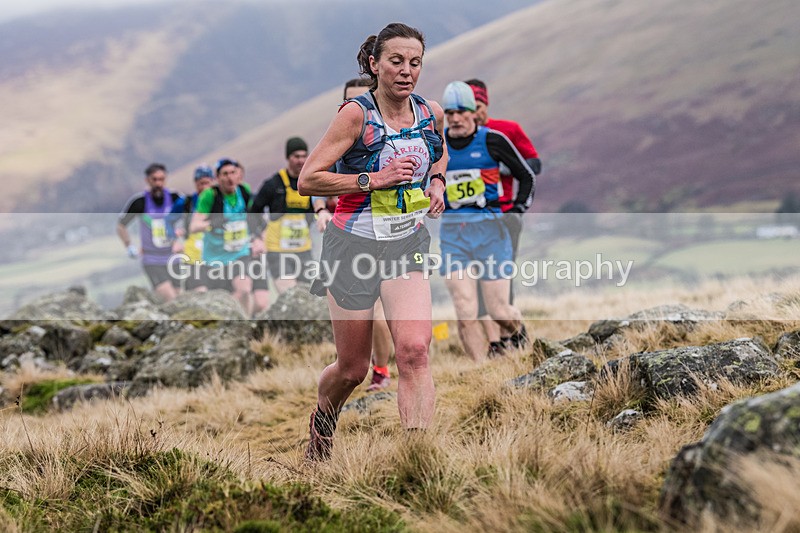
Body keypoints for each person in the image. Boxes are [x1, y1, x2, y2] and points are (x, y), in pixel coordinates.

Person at [298, 23, 448, 461]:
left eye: (415, 62)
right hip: (351, 248)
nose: (406, 71)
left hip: (405, 245)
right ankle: (324, 416)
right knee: (353, 369)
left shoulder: (428, 112)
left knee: (415, 350)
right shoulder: (355, 115)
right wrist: (373, 179)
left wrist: (436, 182)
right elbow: (309, 179)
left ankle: (416, 462)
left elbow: (437, 150)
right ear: (374, 64)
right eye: (396, 61)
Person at [439, 81, 535, 362]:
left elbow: (526, 175)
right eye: (449, 113)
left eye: (460, 112)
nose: (455, 119)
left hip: (492, 234)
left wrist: (517, 209)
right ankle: (483, 372)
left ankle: (522, 340)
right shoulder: (438, 145)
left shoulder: (492, 140)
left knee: (499, 311)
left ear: (473, 112)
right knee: (465, 309)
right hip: (453, 237)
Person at [313, 77, 394, 392]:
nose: (356, 108)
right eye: (348, 102)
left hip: (391, 237)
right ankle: (355, 366)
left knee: (379, 309)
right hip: (347, 238)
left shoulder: (388, 136)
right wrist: (321, 211)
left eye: (362, 100)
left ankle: (382, 370)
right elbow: (314, 179)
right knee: (362, 316)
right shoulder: (340, 135)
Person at [466, 79, 542, 355]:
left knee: (500, 277)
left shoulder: (507, 131)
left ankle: (512, 336)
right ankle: (495, 341)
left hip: (506, 214)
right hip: (471, 221)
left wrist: (498, 168)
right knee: (473, 280)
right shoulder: (458, 138)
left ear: (486, 105)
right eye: (467, 109)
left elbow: (533, 165)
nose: (474, 115)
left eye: (478, 107)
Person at [249, 137, 316, 314]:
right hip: (277, 251)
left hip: (303, 250)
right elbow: (253, 212)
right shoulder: (273, 184)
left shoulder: (309, 182)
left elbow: (313, 212)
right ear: (288, 158)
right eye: (296, 156)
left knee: (309, 296)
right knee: (290, 295)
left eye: (304, 156)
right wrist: (257, 236)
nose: (301, 160)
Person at [190, 158, 261, 315]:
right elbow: (194, 226)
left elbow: (253, 217)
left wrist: (257, 238)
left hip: (239, 253)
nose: (230, 178)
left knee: (244, 290)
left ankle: (244, 326)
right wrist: (211, 223)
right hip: (214, 258)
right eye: (225, 174)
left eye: (233, 173)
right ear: (217, 177)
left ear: (238, 174)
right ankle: (228, 320)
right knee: (220, 299)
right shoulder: (210, 195)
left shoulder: (244, 190)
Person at [117, 163, 183, 302]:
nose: (158, 183)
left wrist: (182, 238)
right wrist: (129, 246)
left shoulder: (175, 198)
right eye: (154, 179)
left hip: (173, 258)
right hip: (152, 259)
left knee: (179, 297)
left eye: (161, 179)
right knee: (168, 296)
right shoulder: (139, 202)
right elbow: (121, 225)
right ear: (147, 180)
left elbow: (194, 217)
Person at [167, 165, 216, 292]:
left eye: (207, 183)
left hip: (215, 255)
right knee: (199, 292)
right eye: (201, 183)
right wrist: (175, 241)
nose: (205, 187)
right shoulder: (186, 202)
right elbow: (168, 220)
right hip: (192, 256)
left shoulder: (219, 200)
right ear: (195, 183)